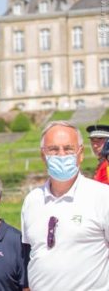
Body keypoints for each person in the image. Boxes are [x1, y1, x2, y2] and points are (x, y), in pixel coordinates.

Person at [21, 121, 109, 290]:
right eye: (53, 150)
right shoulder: (32, 201)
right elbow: (29, 255)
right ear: (42, 156)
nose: (61, 155)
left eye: (68, 149)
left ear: (80, 154)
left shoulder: (103, 196)